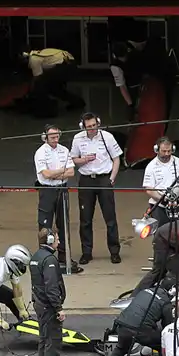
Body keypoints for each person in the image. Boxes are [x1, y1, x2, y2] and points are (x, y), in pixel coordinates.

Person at [97, 277, 175, 356]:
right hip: (141, 330)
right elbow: (167, 326)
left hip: (123, 325)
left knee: (120, 349)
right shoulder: (165, 302)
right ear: (171, 289)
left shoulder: (145, 291)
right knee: (163, 344)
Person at [70, 112, 123, 265]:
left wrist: (112, 177)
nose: (92, 128)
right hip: (86, 179)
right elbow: (73, 159)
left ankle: (114, 252)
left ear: (98, 123)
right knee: (85, 218)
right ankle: (86, 252)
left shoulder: (107, 137)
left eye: (94, 125)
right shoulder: (77, 138)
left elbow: (116, 158)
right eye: (89, 126)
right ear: (83, 127)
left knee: (110, 218)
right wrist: (84, 159)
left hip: (104, 178)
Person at [29, 228, 71, 356]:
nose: (58, 242)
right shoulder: (49, 260)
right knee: (52, 343)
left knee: (44, 342)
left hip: (40, 305)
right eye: (57, 239)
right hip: (48, 307)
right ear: (50, 240)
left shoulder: (36, 257)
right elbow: (51, 287)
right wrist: (58, 308)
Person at [34, 124, 79, 273]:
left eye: (57, 136)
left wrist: (55, 174)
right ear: (45, 137)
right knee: (45, 224)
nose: (55, 139)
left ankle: (64, 256)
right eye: (52, 137)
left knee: (63, 222)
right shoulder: (40, 152)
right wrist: (61, 171)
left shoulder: (64, 150)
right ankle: (44, 257)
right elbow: (45, 174)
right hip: (47, 190)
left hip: (62, 188)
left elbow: (71, 172)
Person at [142, 136, 179, 228]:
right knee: (160, 233)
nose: (167, 154)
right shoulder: (151, 166)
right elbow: (149, 189)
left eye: (169, 151)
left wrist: (178, 198)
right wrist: (164, 200)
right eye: (164, 151)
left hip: (178, 205)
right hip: (159, 207)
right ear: (156, 150)